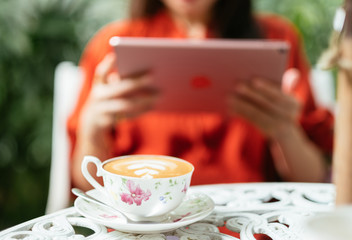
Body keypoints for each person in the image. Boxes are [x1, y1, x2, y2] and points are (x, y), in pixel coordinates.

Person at [68, 0, 334, 191]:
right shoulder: (113, 44)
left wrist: (285, 131)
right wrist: (91, 129)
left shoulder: (277, 39)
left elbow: (313, 180)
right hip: (144, 224)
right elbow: (88, 184)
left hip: (246, 220)